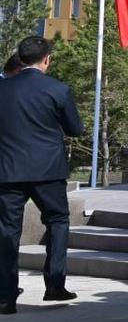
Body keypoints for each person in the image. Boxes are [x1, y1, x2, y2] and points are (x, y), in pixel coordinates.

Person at [0, 37, 84, 314]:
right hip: (47, 171)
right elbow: (75, 129)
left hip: (8, 171)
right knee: (58, 221)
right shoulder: (57, 90)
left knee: (7, 232)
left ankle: (5, 296)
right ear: (46, 59)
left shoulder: (3, 88)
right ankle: (54, 284)